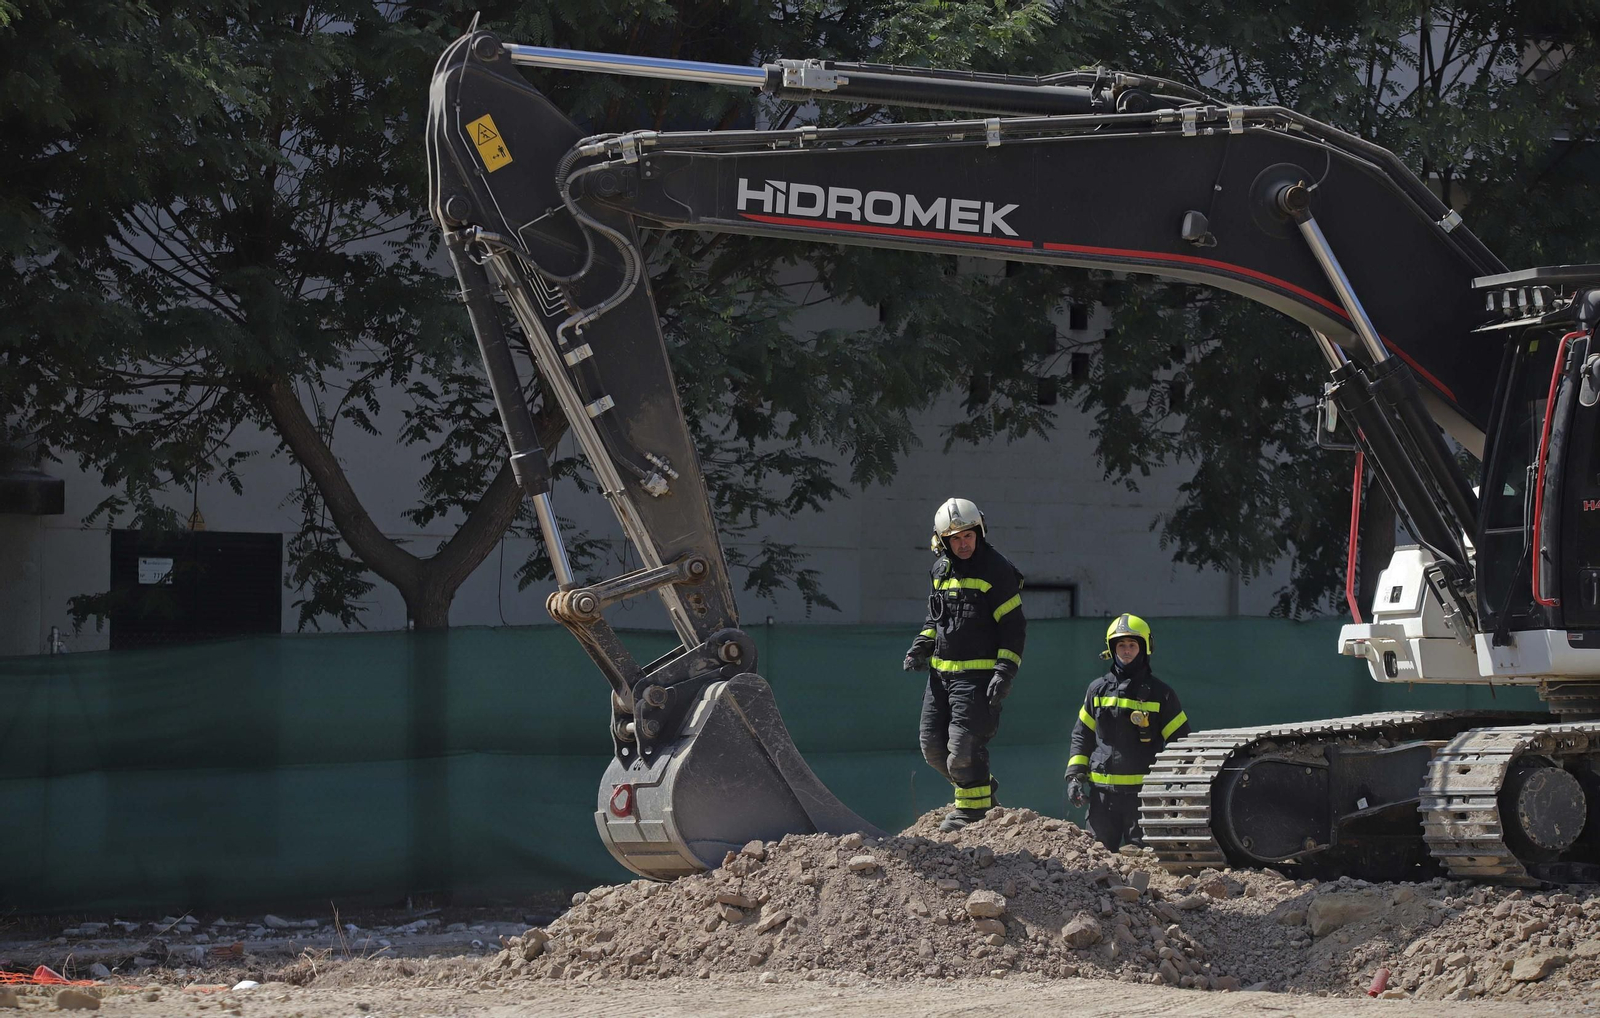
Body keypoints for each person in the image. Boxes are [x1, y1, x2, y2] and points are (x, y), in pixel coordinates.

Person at [903, 497, 1026, 832]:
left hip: (977, 678)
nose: (963, 544)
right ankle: (981, 793)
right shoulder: (940, 569)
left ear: (979, 532)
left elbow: (1013, 628)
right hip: (940, 677)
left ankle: (972, 814)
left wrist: (1004, 671)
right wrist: (920, 647)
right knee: (932, 748)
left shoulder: (997, 571)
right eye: (954, 539)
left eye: (968, 536)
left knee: (962, 750)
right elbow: (936, 619)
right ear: (943, 541)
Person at [1065, 613, 1190, 853]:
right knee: (1098, 864)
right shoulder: (1097, 690)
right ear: (1112, 649)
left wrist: (1178, 789)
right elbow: (1082, 736)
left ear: (1145, 648)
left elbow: (1181, 744)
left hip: (1144, 801)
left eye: (1132, 644)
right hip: (1101, 800)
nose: (1126, 650)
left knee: (1145, 866)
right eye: (1121, 645)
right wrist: (1074, 776)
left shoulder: (1161, 694)